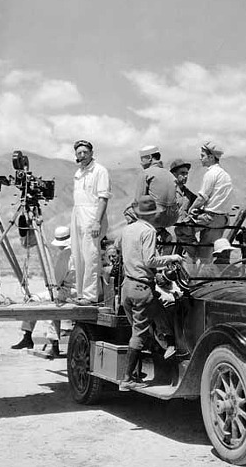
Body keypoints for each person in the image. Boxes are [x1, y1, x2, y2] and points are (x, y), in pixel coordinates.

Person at [118, 195, 183, 392]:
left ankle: (166, 347)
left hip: (127, 287)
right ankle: (127, 379)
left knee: (153, 316)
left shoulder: (127, 229)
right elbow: (150, 261)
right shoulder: (148, 231)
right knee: (139, 334)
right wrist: (172, 257)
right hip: (141, 287)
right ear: (154, 214)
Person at [11, 226, 75, 358]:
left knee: (35, 299)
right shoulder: (78, 251)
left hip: (67, 292)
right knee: (50, 299)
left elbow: (57, 279)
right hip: (77, 291)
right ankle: (33, 339)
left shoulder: (66, 255)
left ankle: (30, 337)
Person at [71, 140, 111, 304]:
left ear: (91, 153)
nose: (82, 155)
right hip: (77, 213)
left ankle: (90, 295)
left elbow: (103, 198)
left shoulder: (100, 171)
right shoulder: (79, 172)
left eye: (85, 152)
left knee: (91, 255)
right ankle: (81, 292)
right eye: (79, 153)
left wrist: (97, 222)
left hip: (92, 214)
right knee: (78, 254)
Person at [187, 141, 233, 261]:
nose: (200, 158)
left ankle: (193, 254)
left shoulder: (211, 174)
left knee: (181, 230)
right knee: (207, 253)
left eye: (203, 155)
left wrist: (191, 210)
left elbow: (202, 197)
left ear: (211, 157)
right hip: (222, 219)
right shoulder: (225, 175)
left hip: (210, 218)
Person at [124, 145, 179, 232]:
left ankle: (141, 236)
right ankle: (162, 233)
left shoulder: (145, 173)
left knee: (128, 210)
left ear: (149, 158)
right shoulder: (170, 174)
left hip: (156, 218)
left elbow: (138, 201)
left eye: (142, 159)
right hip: (173, 218)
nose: (141, 163)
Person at [169, 158, 197, 259]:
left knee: (196, 255)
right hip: (171, 234)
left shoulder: (188, 194)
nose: (185, 176)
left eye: (187, 173)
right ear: (174, 174)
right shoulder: (168, 191)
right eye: (182, 173)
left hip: (185, 233)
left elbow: (201, 203)